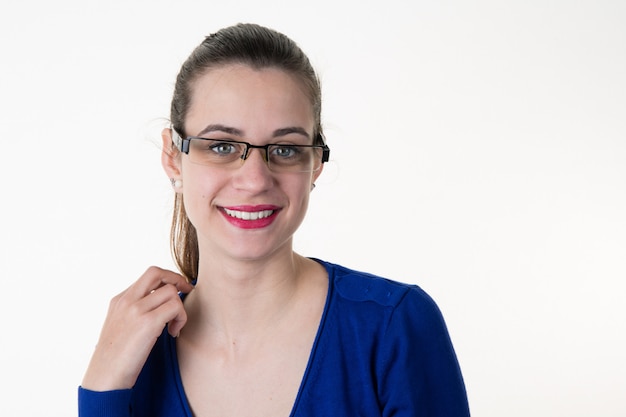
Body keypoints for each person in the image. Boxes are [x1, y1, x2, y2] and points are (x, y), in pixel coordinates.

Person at [78, 23, 470, 417]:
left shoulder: (393, 328)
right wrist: (101, 389)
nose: (254, 180)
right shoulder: (132, 354)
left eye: (285, 149)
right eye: (222, 146)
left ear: (316, 163)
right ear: (172, 157)